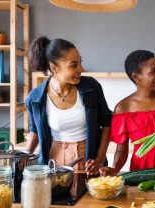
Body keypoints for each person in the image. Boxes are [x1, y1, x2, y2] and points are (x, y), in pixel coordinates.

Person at [25, 37, 112, 176]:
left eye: (80, 63)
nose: (81, 69)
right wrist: (23, 157)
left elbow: (107, 123)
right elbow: (34, 130)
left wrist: (100, 160)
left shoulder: (92, 87)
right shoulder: (35, 98)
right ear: (54, 68)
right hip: (54, 160)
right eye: (74, 65)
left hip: (88, 158)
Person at [100, 50, 155, 175]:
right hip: (140, 171)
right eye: (153, 71)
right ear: (136, 77)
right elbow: (121, 150)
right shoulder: (123, 108)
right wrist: (114, 169)